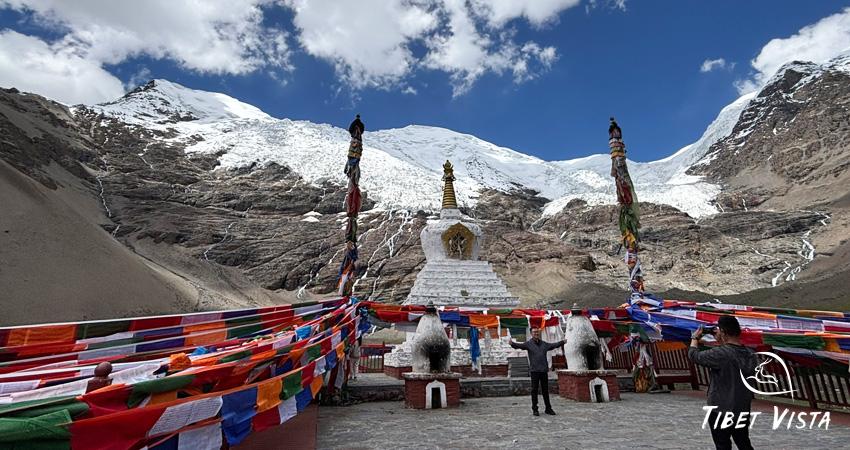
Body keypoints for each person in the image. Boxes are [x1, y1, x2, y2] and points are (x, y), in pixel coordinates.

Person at [689, 316, 758, 450]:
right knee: (743, 443)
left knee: (723, 445)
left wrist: (695, 338)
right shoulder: (751, 354)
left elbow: (694, 355)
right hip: (742, 408)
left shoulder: (721, 353)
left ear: (724, 332)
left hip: (720, 408)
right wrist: (722, 342)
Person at [510, 328, 565, 416]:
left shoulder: (544, 344)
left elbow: (553, 345)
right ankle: (535, 409)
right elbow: (519, 346)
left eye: (537, 332)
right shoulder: (528, 344)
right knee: (534, 390)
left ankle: (548, 408)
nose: (536, 333)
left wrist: (562, 342)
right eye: (534, 332)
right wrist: (512, 344)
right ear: (531, 334)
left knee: (545, 390)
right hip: (534, 371)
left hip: (543, 370)